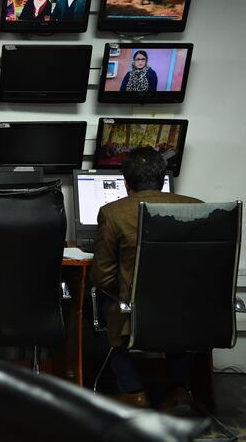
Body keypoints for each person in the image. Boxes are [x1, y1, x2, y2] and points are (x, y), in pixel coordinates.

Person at [90, 147, 201, 412]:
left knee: (100, 305)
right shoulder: (197, 207)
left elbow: (103, 277)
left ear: (125, 181)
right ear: (163, 179)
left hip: (138, 313)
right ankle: (179, 389)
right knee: (175, 309)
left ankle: (133, 391)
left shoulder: (113, 213)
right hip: (191, 312)